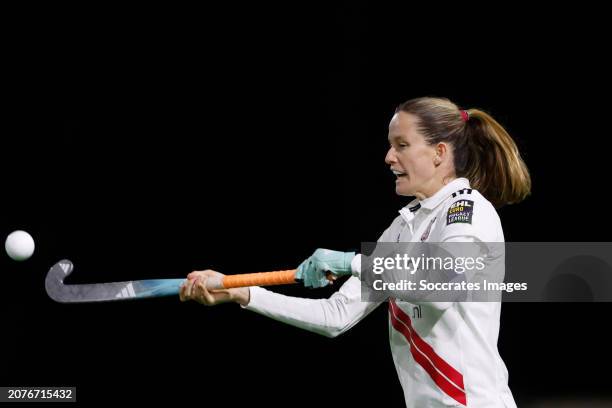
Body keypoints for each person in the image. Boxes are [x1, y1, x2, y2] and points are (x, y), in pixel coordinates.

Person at [179, 97, 531, 407]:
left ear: (439, 153)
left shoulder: (467, 211)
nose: (389, 156)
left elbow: (438, 288)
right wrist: (244, 293)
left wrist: (352, 263)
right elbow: (335, 317)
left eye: (402, 144)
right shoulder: (403, 227)